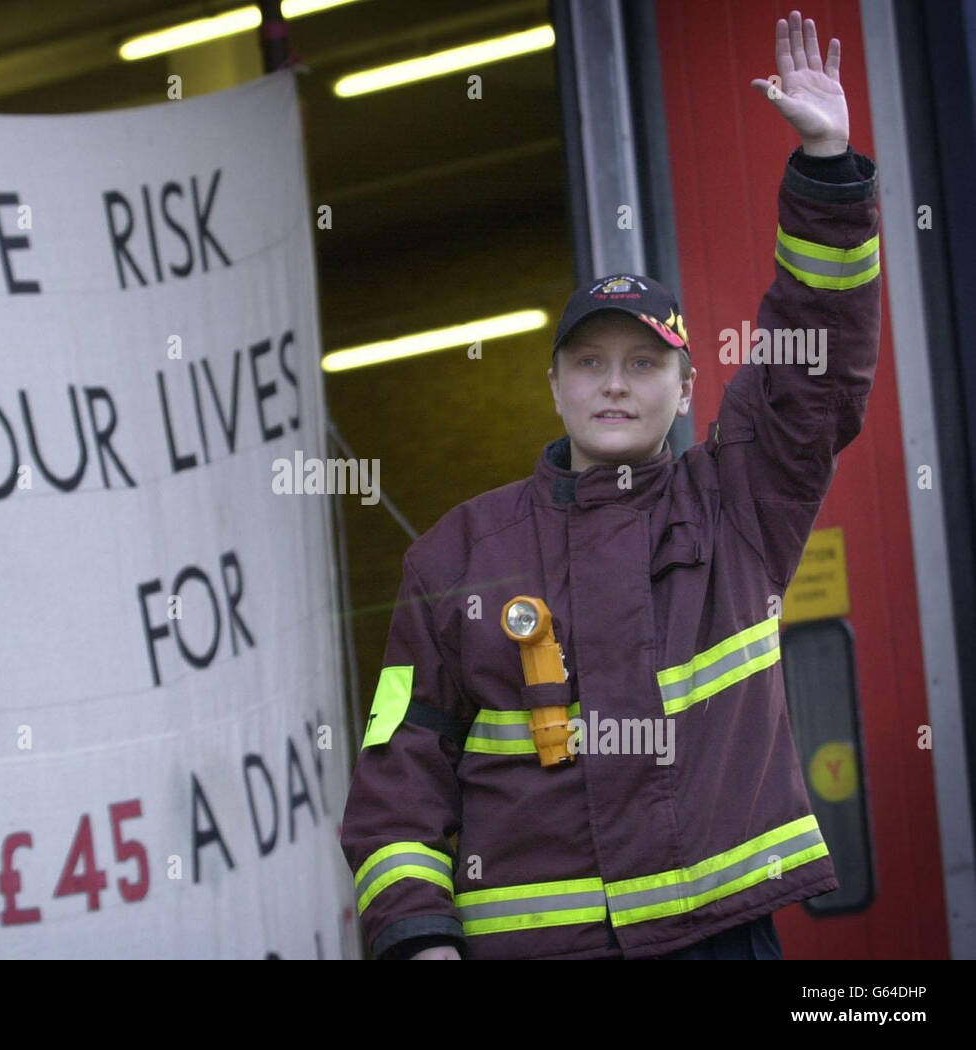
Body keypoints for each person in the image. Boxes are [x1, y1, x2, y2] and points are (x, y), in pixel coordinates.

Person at [339, 11, 880, 959]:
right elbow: (398, 765)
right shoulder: (454, 556)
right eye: (590, 363)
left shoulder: (738, 503)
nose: (616, 383)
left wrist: (827, 170)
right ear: (553, 386)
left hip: (719, 940)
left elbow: (815, 371)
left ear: (686, 389)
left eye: (643, 362)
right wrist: (417, 934)